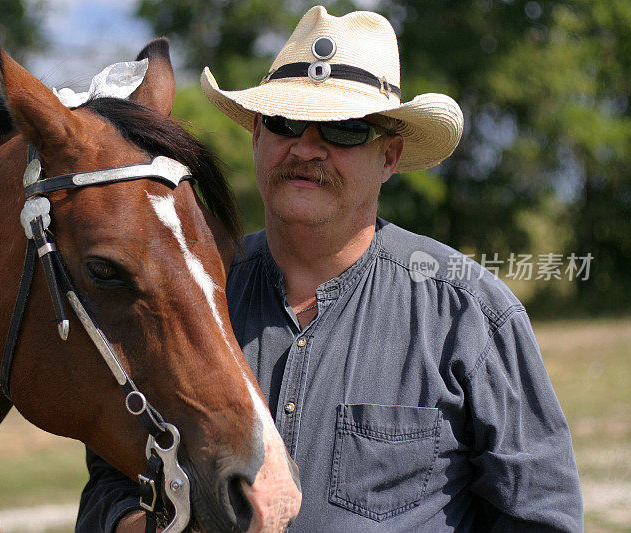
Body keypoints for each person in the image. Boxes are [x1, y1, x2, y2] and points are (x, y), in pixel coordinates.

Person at [76, 6, 583, 532]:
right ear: (256, 136)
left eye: (343, 129)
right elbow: (110, 487)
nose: (307, 146)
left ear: (390, 156)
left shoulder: (471, 313)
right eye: (285, 121)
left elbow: (541, 518)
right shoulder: (184, 293)